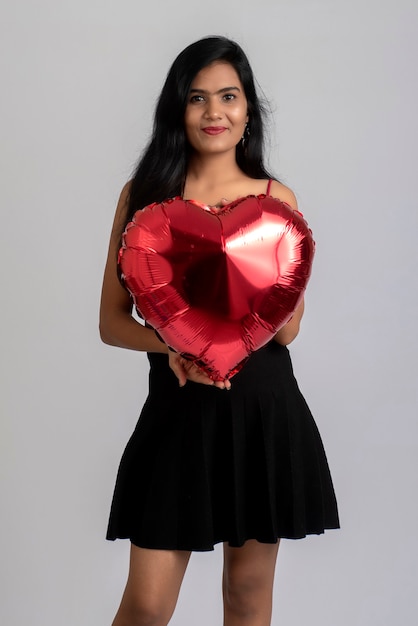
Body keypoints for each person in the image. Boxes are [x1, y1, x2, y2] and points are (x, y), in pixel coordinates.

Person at [100, 35, 339, 626]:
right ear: (177, 110)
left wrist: (282, 264)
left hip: (262, 410)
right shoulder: (144, 199)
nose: (214, 113)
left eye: (228, 97)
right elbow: (110, 323)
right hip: (177, 410)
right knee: (148, 606)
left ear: (247, 109)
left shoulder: (274, 199)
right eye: (197, 98)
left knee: (247, 596)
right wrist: (174, 347)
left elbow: (286, 335)